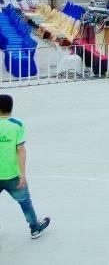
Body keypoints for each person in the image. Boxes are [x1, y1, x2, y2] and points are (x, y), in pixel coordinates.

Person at [0, 94, 50, 239]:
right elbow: (20, 150)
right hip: (13, 174)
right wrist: (23, 174)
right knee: (24, 201)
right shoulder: (17, 124)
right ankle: (35, 228)